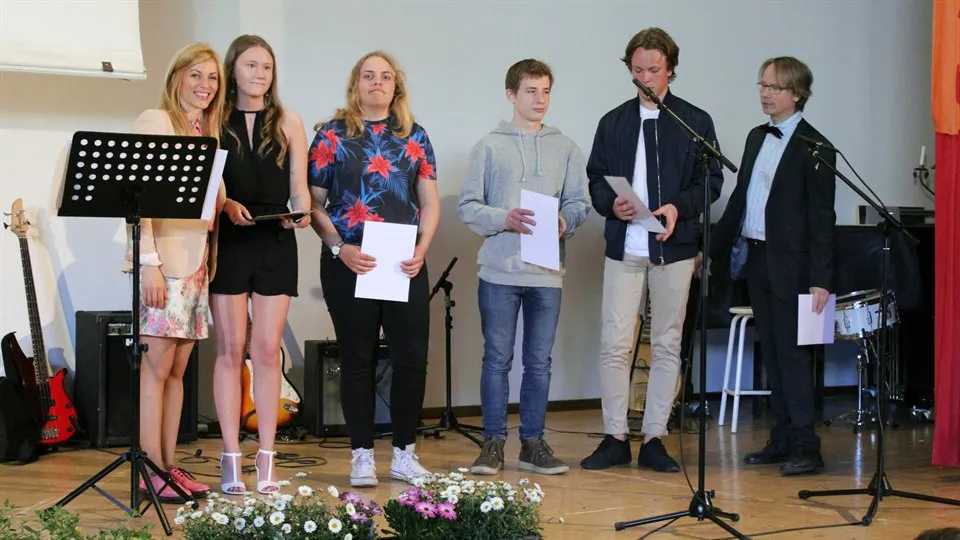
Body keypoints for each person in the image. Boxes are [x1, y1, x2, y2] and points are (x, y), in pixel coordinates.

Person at [581, 27, 723, 473]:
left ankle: (655, 438)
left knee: (667, 343)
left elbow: (711, 182)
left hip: (673, 248)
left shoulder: (694, 122)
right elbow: (596, 180)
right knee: (614, 343)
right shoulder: (613, 122)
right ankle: (615, 437)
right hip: (624, 247)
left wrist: (679, 207)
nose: (645, 79)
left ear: (671, 70)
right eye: (638, 70)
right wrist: (612, 204)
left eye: (654, 70)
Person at [307, 50, 440, 488]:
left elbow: (429, 201)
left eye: (385, 76)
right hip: (350, 261)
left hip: (403, 262)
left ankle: (404, 454)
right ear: (356, 84)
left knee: (411, 361)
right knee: (357, 359)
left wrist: (422, 248)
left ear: (396, 85)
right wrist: (339, 248)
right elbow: (313, 204)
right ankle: (361, 455)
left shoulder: (414, 135)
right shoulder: (332, 134)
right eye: (368, 75)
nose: (377, 82)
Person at [458, 59, 591, 476]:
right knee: (497, 360)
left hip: (546, 274)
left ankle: (533, 444)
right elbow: (468, 207)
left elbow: (580, 202)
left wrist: (565, 221)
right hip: (499, 272)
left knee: (539, 362)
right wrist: (505, 218)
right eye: (532, 91)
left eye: (546, 91)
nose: (540, 99)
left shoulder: (565, 147)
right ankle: (492, 443)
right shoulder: (488, 146)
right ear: (511, 94)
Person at [711, 56, 835, 476]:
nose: (765, 94)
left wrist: (821, 278)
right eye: (762, 85)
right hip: (758, 259)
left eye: (774, 87)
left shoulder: (816, 147)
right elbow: (741, 200)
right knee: (772, 354)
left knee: (794, 356)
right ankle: (781, 439)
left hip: (794, 267)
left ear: (796, 94)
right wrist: (712, 251)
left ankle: (807, 446)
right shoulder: (756, 137)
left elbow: (822, 219)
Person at [122, 42, 226, 501]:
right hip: (164, 265)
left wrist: (228, 204)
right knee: (156, 366)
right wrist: (148, 264)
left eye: (212, 77)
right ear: (177, 76)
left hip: (196, 265)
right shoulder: (157, 121)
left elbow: (209, 201)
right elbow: (136, 199)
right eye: (196, 75)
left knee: (178, 369)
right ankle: (149, 469)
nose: (205, 85)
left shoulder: (207, 132)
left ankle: (168, 465)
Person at [210, 35, 312, 495]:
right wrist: (227, 205)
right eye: (251, 65)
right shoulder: (214, 120)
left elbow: (299, 187)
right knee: (231, 350)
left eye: (267, 66)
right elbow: (209, 185)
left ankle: (267, 456)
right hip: (230, 238)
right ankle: (231, 454)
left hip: (275, 238)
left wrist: (301, 211)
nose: (260, 74)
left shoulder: (289, 121)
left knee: (267, 351)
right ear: (233, 69)